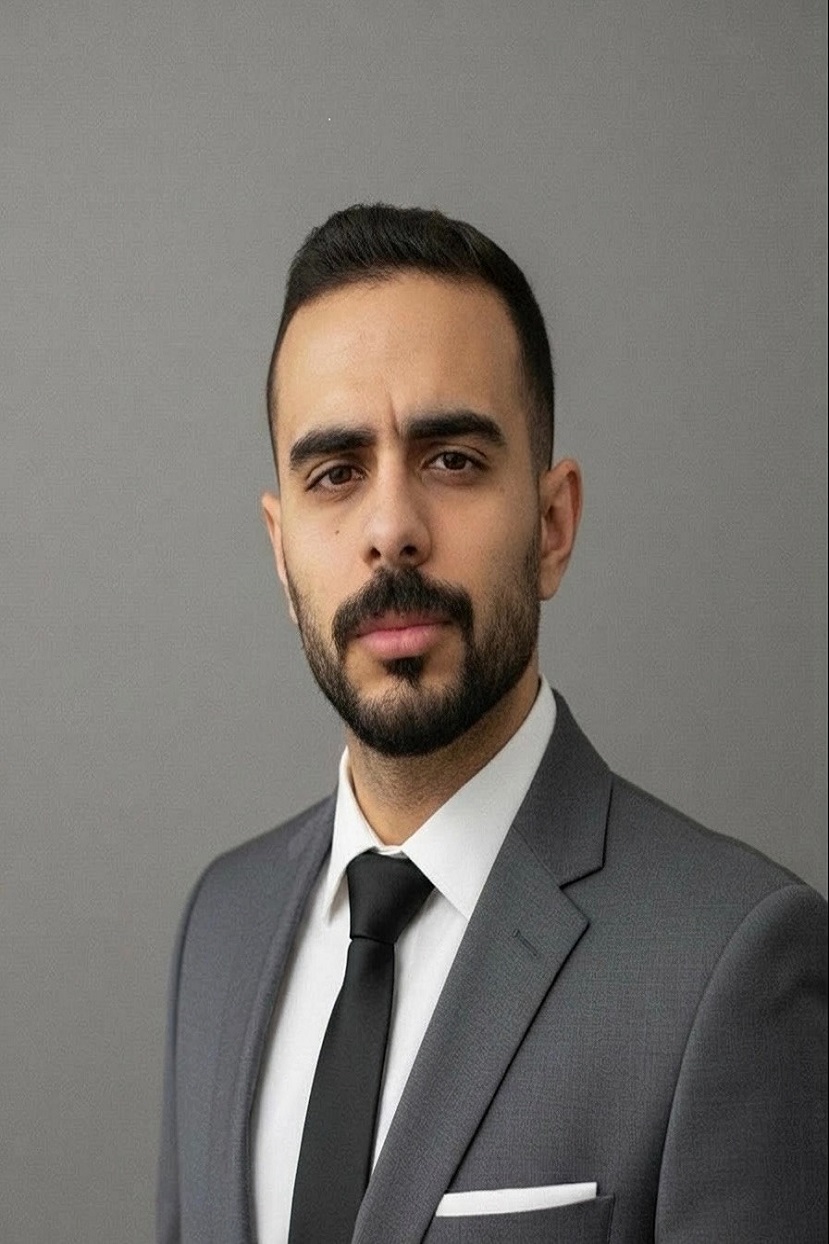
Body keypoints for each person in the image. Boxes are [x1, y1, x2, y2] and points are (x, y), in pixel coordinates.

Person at [157, 204, 827, 1244]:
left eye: (453, 460)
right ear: (281, 553)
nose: (391, 530)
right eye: (335, 473)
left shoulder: (731, 963)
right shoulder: (221, 923)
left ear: (552, 525)